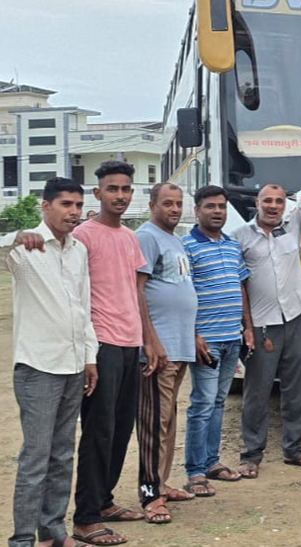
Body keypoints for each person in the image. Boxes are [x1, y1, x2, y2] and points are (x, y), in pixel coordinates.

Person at [232, 124, 301, 478]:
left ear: (285, 206)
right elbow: (237, 285)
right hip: (261, 325)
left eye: (279, 202)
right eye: (267, 201)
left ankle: (295, 449)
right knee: (257, 392)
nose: (273, 206)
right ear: (257, 203)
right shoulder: (239, 237)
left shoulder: (294, 225)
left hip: (295, 317)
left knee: (297, 388)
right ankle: (251, 455)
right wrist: (245, 327)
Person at [2, 178, 98, 547]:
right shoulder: (24, 248)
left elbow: (82, 307)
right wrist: (15, 237)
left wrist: (89, 357)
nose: (73, 212)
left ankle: (53, 532)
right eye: (65, 204)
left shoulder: (78, 250)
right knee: (35, 459)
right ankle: (22, 540)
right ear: (46, 206)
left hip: (73, 365)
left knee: (62, 455)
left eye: (78, 205)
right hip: (38, 368)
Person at [72, 161, 148, 546]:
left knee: (120, 429)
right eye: (112, 188)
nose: (120, 195)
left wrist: (146, 340)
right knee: (98, 431)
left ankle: (104, 501)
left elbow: (135, 291)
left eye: (126, 189)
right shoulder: (82, 236)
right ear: (97, 192)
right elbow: (75, 294)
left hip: (130, 343)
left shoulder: (130, 237)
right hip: (101, 344)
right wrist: (87, 352)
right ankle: (85, 518)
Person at [182, 185, 254, 494]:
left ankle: (212, 462)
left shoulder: (231, 244)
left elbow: (240, 287)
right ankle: (195, 471)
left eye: (221, 206)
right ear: (197, 211)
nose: (217, 211)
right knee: (202, 404)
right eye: (210, 206)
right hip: (206, 341)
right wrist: (193, 334)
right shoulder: (186, 247)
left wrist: (247, 327)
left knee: (219, 402)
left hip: (231, 339)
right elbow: (182, 293)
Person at [135, 182, 199, 523]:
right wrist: (151, 341)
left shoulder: (175, 240)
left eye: (178, 203)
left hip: (179, 347)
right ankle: (150, 496)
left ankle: (161, 483)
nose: (174, 209)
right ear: (152, 206)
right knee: (153, 425)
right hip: (159, 349)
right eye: (167, 203)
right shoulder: (147, 237)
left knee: (168, 421)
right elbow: (137, 290)